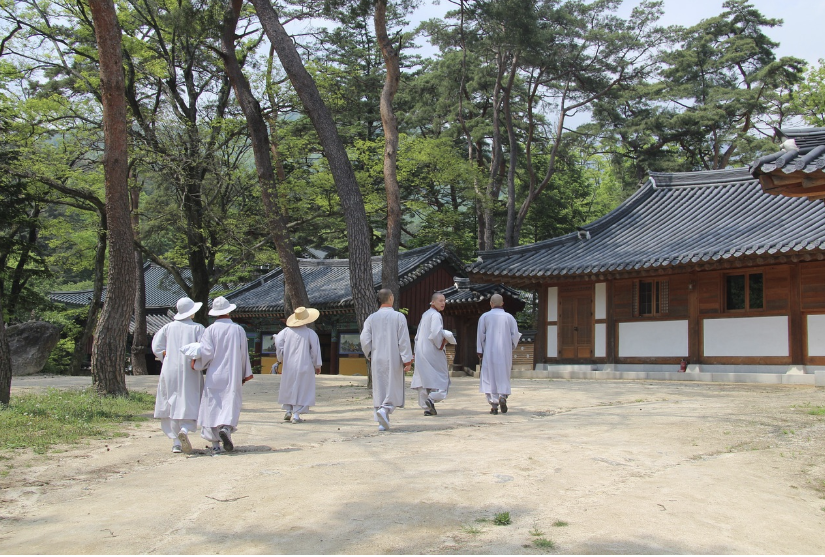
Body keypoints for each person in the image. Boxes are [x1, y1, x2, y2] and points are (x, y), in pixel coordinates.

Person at [193, 296, 253, 454]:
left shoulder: (210, 330)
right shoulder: (238, 330)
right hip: (232, 373)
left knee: (212, 405)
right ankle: (225, 428)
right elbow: (243, 354)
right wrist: (244, 373)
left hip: (214, 373)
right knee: (230, 402)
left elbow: (206, 352)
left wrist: (197, 363)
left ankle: (215, 445)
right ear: (229, 311)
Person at [151, 297, 205, 454]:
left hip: (170, 368)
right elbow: (204, 348)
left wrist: (165, 355)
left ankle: (175, 441)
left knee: (171, 399)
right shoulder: (198, 328)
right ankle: (185, 429)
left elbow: (156, 347)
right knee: (190, 398)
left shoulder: (168, 327)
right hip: (190, 368)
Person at [360, 289, 413, 431]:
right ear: (390, 298)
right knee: (392, 386)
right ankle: (385, 410)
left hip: (377, 356)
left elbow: (364, 339)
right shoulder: (398, 317)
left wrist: (370, 353)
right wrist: (407, 360)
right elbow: (403, 340)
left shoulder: (371, 318)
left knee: (380, 386)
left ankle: (381, 422)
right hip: (393, 356)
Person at [275, 307, 322, 424]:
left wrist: (281, 357)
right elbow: (315, 351)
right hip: (305, 364)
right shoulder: (310, 333)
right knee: (302, 388)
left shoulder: (285, 332)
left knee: (289, 386)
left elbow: (278, 343)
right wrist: (317, 365)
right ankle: (296, 414)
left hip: (289, 365)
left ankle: (288, 410)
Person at [477, 293, 521, 414]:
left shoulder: (485, 317)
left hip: (489, 351)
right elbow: (515, 335)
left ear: (490, 303)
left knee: (489, 376)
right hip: (504, 351)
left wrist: (479, 350)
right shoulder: (509, 317)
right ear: (502, 303)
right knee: (503, 375)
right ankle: (502, 395)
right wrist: (511, 346)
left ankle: (494, 405)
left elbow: (480, 335)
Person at [411, 292, 450, 416]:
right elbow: (435, 333)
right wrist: (441, 343)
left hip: (420, 350)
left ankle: (427, 408)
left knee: (424, 379)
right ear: (432, 302)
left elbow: (417, 335)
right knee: (443, 378)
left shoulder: (425, 314)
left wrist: (415, 351)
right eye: (440, 301)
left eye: (444, 301)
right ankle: (431, 399)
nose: (443, 303)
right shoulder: (436, 315)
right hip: (432, 351)